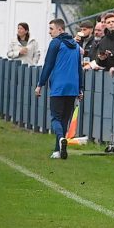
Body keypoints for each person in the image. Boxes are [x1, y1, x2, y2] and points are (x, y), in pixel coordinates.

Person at [35, 19, 83, 159]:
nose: (49, 32)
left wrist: (40, 85)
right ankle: (58, 150)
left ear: (60, 30)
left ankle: (61, 139)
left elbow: (48, 65)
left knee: (55, 118)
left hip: (59, 86)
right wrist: (80, 88)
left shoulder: (55, 43)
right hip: (72, 88)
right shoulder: (75, 45)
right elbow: (79, 68)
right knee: (64, 119)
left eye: (51, 29)